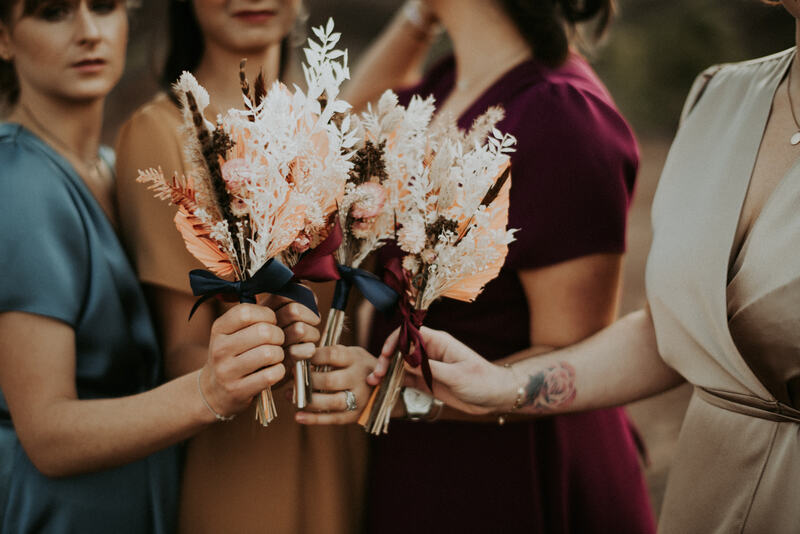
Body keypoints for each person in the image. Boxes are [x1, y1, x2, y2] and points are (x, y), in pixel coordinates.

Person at [369, 0, 800, 531]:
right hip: (710, 491)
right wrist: (500, 384)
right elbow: (673, 333)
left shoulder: (562, 112)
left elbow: (574, 331)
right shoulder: (723, 98)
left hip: (518, 473)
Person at [298, 1, 656, 532]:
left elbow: (576, 354)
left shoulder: (563, 118)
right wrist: (422, 15)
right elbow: (331, 141)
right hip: (424, 460)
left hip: (512, 477)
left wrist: (397, 394)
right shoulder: (445, 85)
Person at [0, 0, 298, 531]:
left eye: (105, 7)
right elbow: (46, 434)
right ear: (3, 37)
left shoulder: (106, 169)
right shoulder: (20, 183)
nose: (89, 32)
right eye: (53, 12)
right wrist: (209, 389)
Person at [114, 1, 366, 532]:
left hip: (343, 433)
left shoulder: (338, 126)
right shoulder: (163, 134)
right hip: (242, 453)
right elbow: (180, 352)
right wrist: (251, 349)